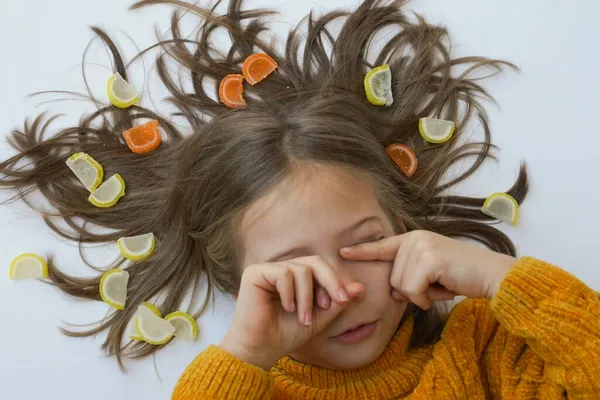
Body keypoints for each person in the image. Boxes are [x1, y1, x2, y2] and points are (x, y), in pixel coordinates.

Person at [1, 0, 598, 398]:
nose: (345, 291)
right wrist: (245, 353)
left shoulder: (484, 346)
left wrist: (504, 279)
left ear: (408, 227)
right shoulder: (249, 385)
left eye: (366, 246)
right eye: (296, 269)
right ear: (241, 285)